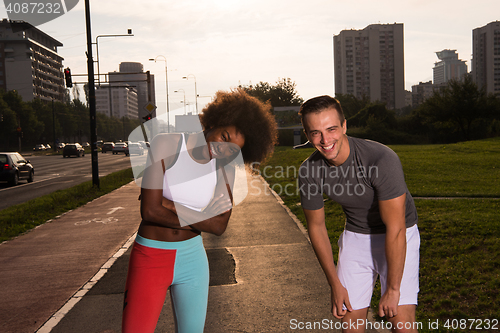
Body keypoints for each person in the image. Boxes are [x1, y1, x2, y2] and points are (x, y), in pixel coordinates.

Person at [122, 89, 278, 333]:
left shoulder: (225, 168)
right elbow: (150, 212)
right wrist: (201, 215)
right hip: (151, 256)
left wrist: (170, 204)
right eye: (224, 136)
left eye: (232, 151)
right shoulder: (167, 144)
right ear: (215, 121)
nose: (223, 149)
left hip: (192, 259)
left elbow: (218, 226)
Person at [297, 95, 420, 333]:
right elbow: (316, 227)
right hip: (356, 236)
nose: (325, 140)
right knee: (350, 326)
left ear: (344, 126)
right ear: (308, 135)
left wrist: (393, 290)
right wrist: (335, 284)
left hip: (397, 235)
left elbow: (395, 228)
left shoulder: (380, 159)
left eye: (331, 129)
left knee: (401, 325)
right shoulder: (309, 171)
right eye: (315, 133)